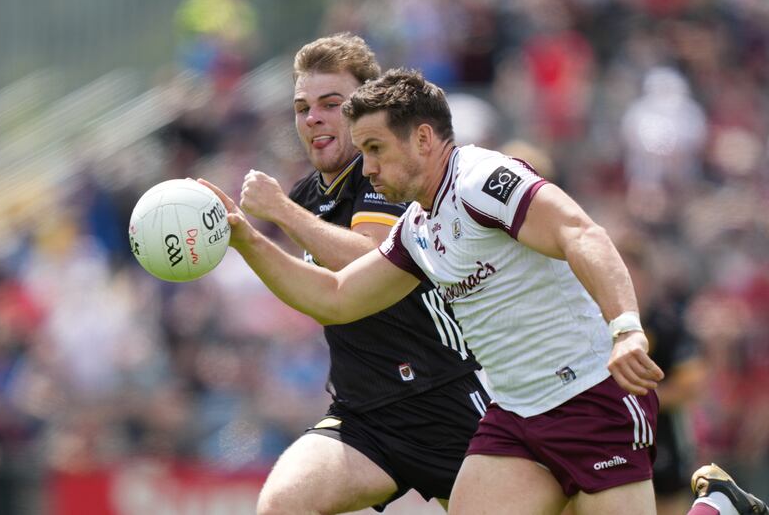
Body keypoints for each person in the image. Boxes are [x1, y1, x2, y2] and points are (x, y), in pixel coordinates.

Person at [200, 66, 664, 514]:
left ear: (423, 138)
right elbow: (337, 297)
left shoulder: (480, 179)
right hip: (514, 417)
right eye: (364, 151)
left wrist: (625, 330)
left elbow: (580, 233)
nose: (370, 167)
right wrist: (247, 239)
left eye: (377, 149)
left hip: (591, 397)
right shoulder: (417, 228)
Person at [238, 35, 491, 514]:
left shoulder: (387, 174)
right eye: (302, 107)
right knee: (282, 505)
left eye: (331, 104)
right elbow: (319, 294)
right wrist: (238, 235)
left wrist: (281, 215)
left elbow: (368, 259)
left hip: (444, 398)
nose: (313, 117)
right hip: (363, 415)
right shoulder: (305, 196)